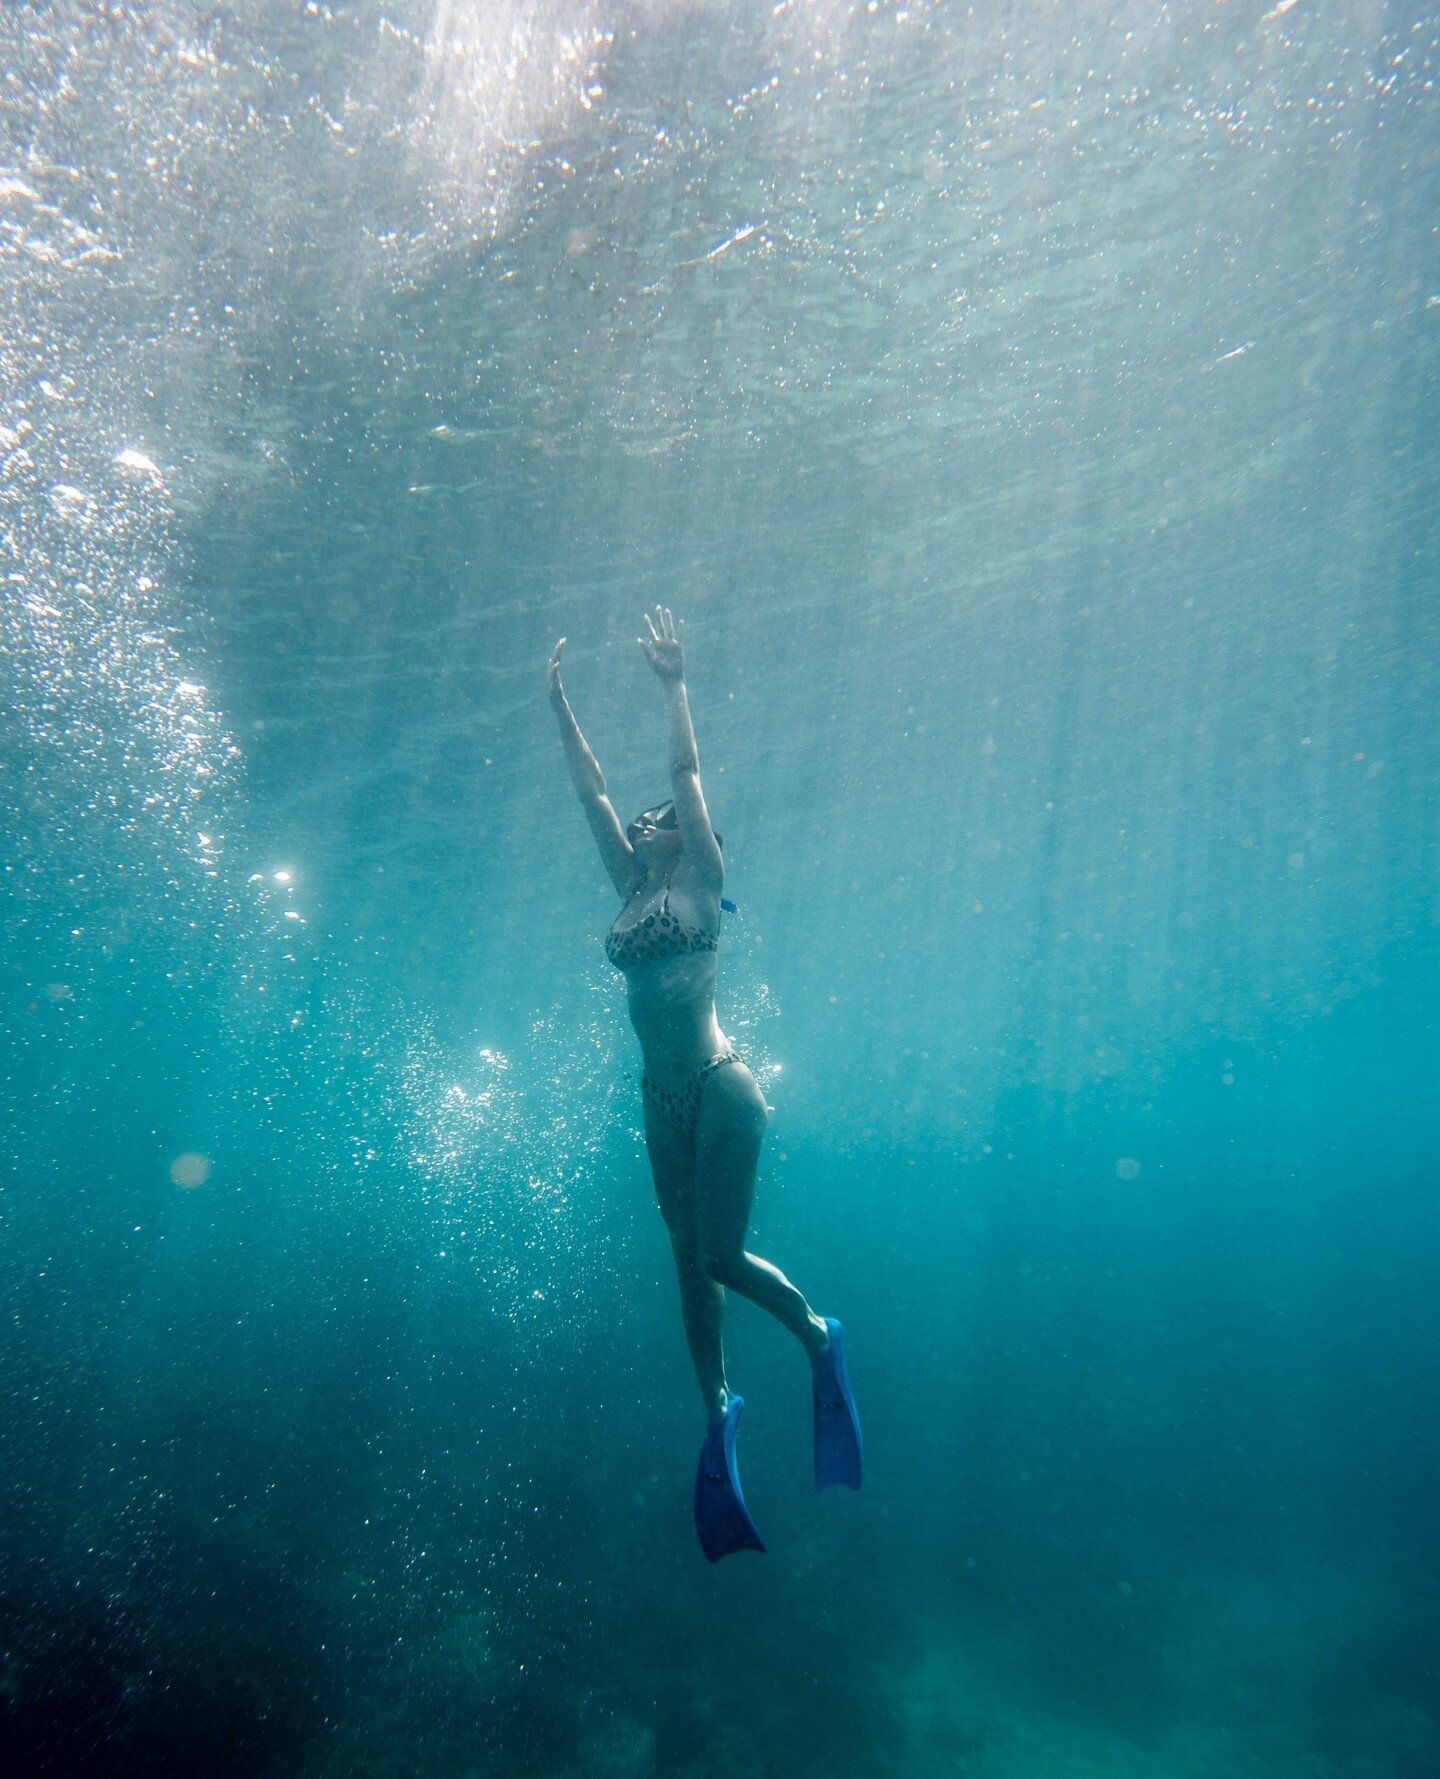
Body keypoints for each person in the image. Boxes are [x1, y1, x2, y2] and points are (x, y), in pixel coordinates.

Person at [547, 608, 862, 1561]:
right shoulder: (632, 891)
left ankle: (817, 1333)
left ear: (689, 840)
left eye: (664, 821)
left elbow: (682, 780)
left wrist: (675, 685)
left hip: (721, 1086)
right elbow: (592, 793)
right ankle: (717, 1406)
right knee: (685, 1261)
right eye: (646, 822)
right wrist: (556, 703)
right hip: (660, 1099)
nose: (648, 819)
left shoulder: (696, 883)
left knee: (721, 1257)